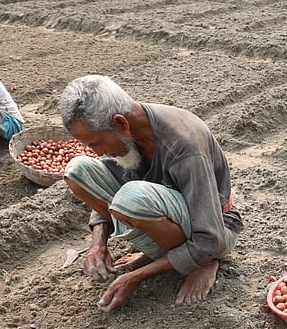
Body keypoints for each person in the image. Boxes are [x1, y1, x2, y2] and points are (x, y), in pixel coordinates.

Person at [59, 75, 242, 311]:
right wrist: (98, 243)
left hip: (214, 230)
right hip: (174, 217)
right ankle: (165, 253)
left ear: (120, 123)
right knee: (77, 170)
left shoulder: (183, 145)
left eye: (96, 144)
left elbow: (210, 238)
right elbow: (107, 188)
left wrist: (135, 277)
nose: (98, 152)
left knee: (131, 198)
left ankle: (202, 264)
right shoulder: (128, 133)